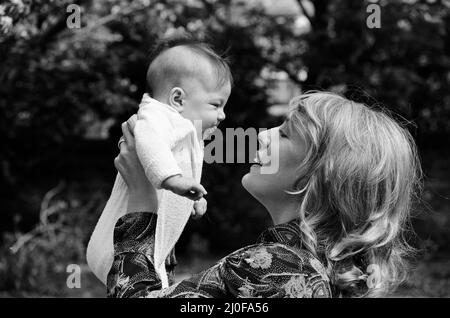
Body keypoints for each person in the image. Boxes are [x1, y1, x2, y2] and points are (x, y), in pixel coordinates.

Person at [107, 91, 422, 298]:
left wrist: (141, 198)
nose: (263, 136)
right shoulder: (330, 269)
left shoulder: (278, 269)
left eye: (284, 133)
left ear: (324, 174)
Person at [86, 34, 232, 287]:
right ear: (178, 99)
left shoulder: (187, 129)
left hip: (148, 247)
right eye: (215, 105)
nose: (222, 115)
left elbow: (183, 176)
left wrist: (192, 198)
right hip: (117, 243)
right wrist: (173, 180)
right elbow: (149, 141)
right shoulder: (157, 116)